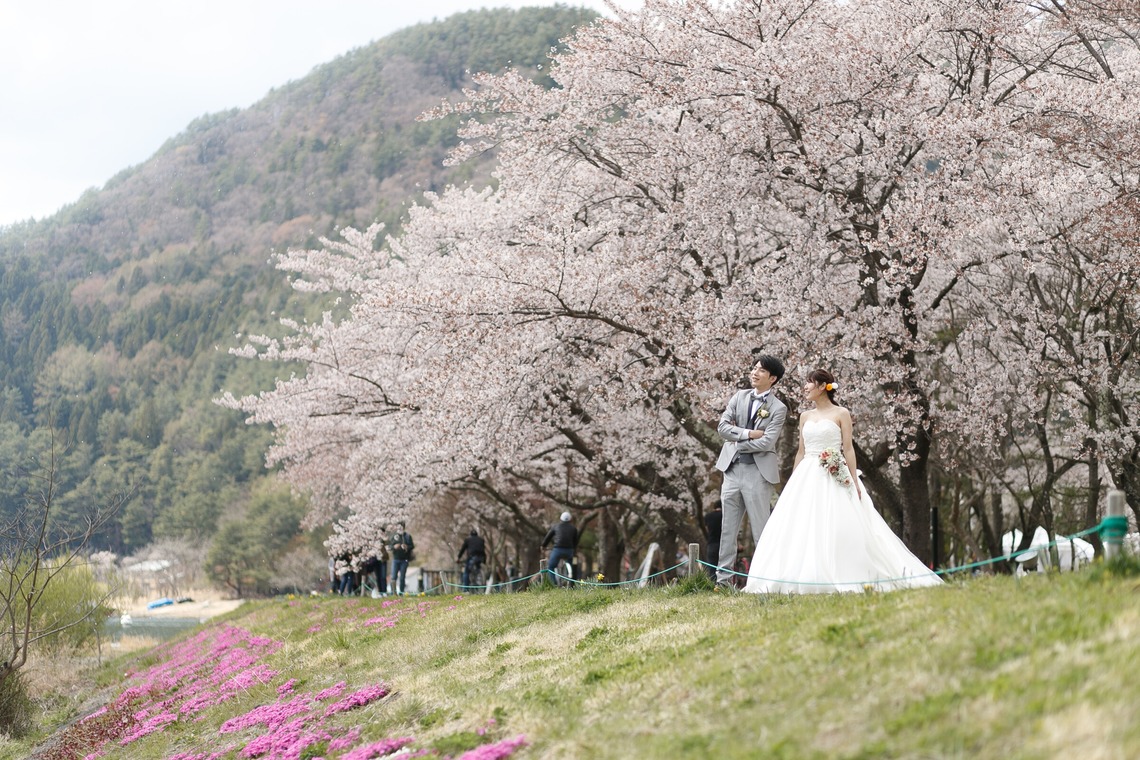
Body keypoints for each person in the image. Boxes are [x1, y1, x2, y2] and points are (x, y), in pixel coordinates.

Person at [744, 369, 944, 594]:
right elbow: (801, 451)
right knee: (801, 524)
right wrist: (793, 481)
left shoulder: (841, 413)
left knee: (837, 522)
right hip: (807, 474)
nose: (805, 388)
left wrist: (854, 480)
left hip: (832, 471)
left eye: (809, 383)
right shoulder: (805, 416)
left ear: (822, 387)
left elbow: (848, 449)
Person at [713, 354, 788, 587]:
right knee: (728, 529)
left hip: (758, 472)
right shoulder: (739, 396)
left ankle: (764, 581)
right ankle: (723, 582)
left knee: (761, 529)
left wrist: (737, 441)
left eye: (761, 371)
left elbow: (766, 443)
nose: (754, 373)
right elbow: (722, 428)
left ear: (772, 378)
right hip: (732, 470)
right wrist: (748, 434)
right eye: (754, 368)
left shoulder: (778, 408)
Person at [542, 512, 578, 583]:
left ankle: (554, 583)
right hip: (569, 551)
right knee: (571, 565)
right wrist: (573, 548)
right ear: (570, 520)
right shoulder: (574, 529)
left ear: (560, 519)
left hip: (558, 550)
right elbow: (576, 541)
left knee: (551, 566)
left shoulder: (556, 526)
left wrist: (543, 546)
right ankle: (571, 582)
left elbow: (548, 537)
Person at [389, 522, 415, 595]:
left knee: (402, 577)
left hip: (404, 560)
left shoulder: (407, 536)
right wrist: (394, 547)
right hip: (395, 559)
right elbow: (390, 547)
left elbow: (412, 546)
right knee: (393, 576)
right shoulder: (394, 536)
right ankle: (393, 593)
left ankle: (401, 593)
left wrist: (406, 546)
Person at [703, 501, 723, 580]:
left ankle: (713, 585)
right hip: (723, 543)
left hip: (712, 543)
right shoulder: (725, 515)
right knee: (724, 566)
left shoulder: (708, 516)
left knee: (712, 567)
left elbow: (707, 529)